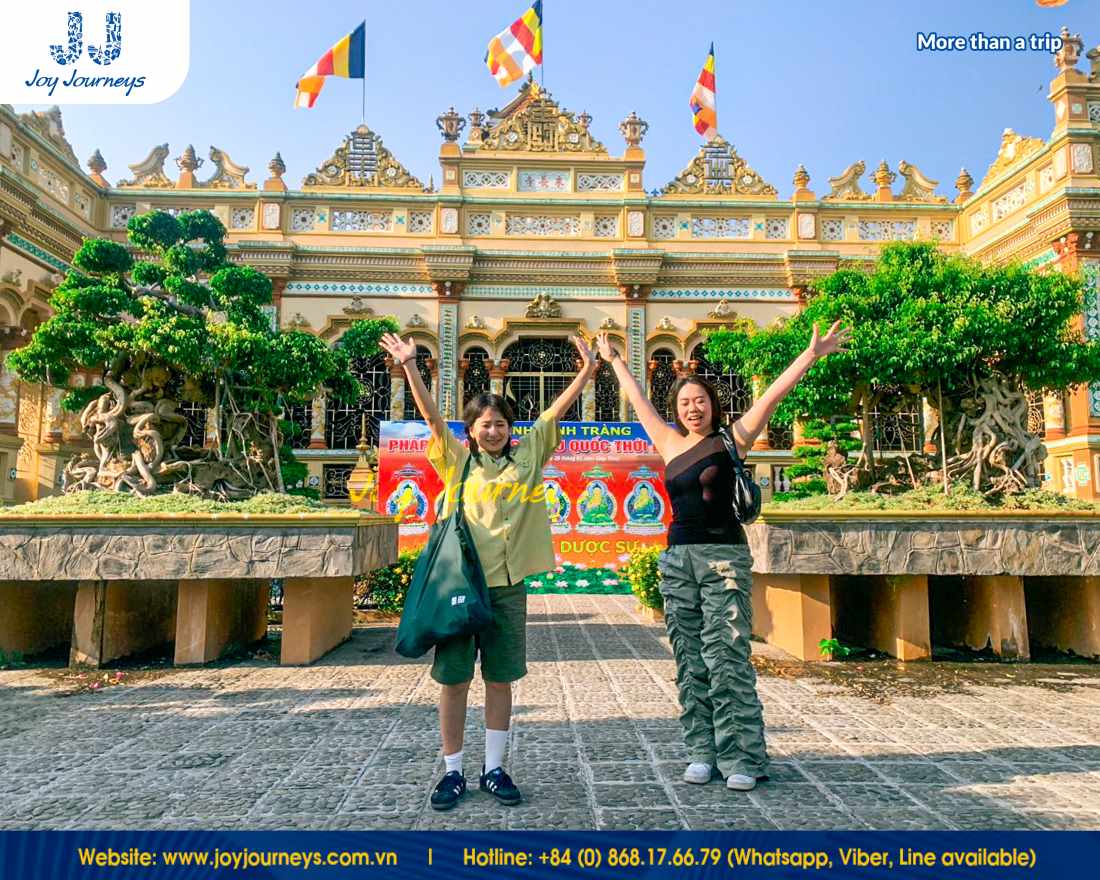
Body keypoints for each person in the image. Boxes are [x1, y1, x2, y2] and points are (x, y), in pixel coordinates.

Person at [595, 322, 849, 792]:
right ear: (677, 408)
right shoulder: (668, 442)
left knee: (727, 656)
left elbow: (771, 396)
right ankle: (701, 751)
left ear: (713, 403)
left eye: (701, 401)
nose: (693, 408)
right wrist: (613, 361)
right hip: (678, 561)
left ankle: (743, 756)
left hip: (724, 559)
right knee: (690, 659)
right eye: (685, 403)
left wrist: (810, 355)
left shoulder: (733, 438)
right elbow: (636, 398)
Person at [379, 332, 597, 811]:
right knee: (454, 680)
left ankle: (494, 768)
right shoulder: (457, 462)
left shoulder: (529, 457)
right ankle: (452, 771)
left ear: (509, 428)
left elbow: (554, 412)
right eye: (484, 424)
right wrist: (411, 366)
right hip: (461, 587)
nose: (492, 430)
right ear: (472, 430)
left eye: (499, 423)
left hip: (507, 588)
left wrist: (588, 370)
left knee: (500, 679)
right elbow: (433, 419)